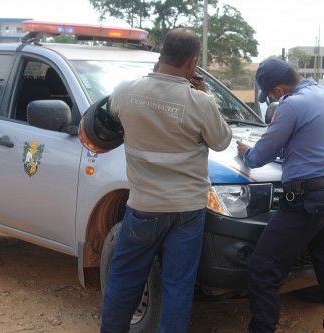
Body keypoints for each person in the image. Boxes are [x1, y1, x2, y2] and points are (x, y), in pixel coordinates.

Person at [100, 28, 232, 333]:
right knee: (178, 284)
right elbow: (222, 140)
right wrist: (202, 93)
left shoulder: (124, 91)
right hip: (187, 209)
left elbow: (107, 122)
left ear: (161, 56)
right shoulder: (200, 102)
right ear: (192, 62)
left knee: (125, 276)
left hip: (144, 205)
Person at [237, 59, 324, 333]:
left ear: (278, 89)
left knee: (263, 268)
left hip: (304, 200)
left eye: (271, 95)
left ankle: (263, 328)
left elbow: (261, 154)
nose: (275, 99)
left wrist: (247, 153)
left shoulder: (290, 105)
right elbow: (310, 143)